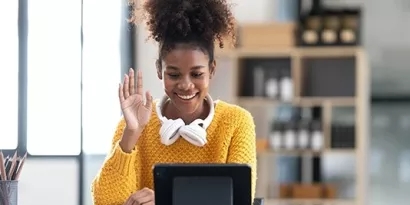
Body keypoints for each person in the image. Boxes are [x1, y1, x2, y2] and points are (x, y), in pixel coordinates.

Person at [91, 0, 257, 204]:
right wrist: (131, 135)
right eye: (174, 74)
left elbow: (239, 200)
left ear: (212, 69)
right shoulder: (134, 124)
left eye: (197, 74)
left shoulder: (236, 122)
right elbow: (106, 201)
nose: (186, 85)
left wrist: (166, 200)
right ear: (159, 70)